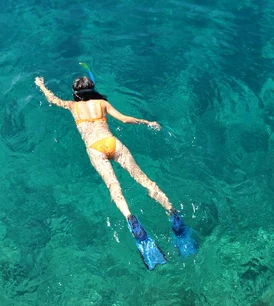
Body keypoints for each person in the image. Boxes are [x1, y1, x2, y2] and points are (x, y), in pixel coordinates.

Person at [35, 66, 197, 270]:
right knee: (144, 180)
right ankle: (172, 212)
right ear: (92, 89)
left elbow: (53, 100)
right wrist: (147, 122)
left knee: (114, 187)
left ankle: (130, 218)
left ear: (76, 93)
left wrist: (41, 85)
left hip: (95, 149)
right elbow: (124, 119)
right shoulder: (102, 103)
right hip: (113, 143)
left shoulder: (72, 106)